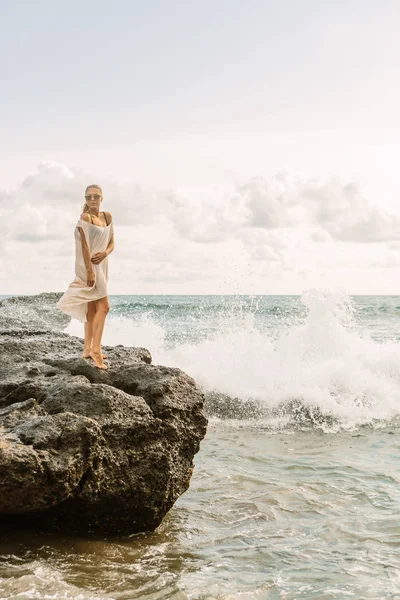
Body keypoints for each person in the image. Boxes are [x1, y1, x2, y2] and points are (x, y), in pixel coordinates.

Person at [57, 184, 115, 370]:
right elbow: (84, 247)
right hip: (90, 266)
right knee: (105, 307)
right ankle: (96, 351)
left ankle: (87, 349)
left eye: (96, 196)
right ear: (85, 199)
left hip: (103, 264)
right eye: (88, 197)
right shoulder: (85, 218)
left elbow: (112, 242)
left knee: (92, 308)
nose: (92, 200)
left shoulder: (107, 217)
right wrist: (89, 271)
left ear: (101, 198)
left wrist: (105, 253)